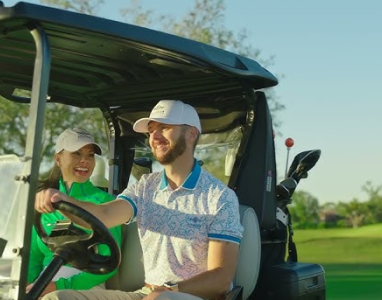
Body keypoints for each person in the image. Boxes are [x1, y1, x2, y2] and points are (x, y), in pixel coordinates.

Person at [35, 100, 243, 300]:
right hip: (148, 294)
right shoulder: (145, 187)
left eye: (164, 127)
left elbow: (221, 279)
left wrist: (170, 291)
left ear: (191, 134)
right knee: (57, 297)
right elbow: (103, 214)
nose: (155, 136)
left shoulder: (219, 197)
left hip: (190, 296)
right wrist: (62, 200)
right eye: (151, 130)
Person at [27, 127, 122, 297]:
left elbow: (110, 264)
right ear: (58, 159)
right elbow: (33, 257)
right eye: (77, 154)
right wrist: (25, 287)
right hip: (44, 283)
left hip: (84, 286)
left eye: (90, 155)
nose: (84, 161)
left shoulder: (105, 203)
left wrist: (58, 286)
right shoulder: (44, 203)